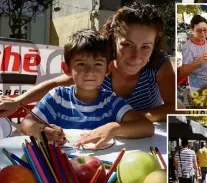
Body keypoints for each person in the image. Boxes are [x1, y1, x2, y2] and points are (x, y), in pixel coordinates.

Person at [0, 2, 175, 123]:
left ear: (154, 46)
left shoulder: (159, 64)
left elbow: (174, 106)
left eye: (145, 46)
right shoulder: (100, 63)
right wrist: (18, 101)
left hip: (145, 133)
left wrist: (130, 119)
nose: (136, 56)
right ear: (113, 40)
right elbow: (55, 83)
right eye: (127, 44)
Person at [19, 29, 153, 148]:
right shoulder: (57, 97)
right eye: (82, 64)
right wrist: (40, 130)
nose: (90, 71)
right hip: (59, 167)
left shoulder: (111, 101)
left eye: (98, 64)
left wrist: (114, 128)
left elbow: (147, 127)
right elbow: (26, 124)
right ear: (66, 69)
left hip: (102, 167)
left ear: (108, 69)